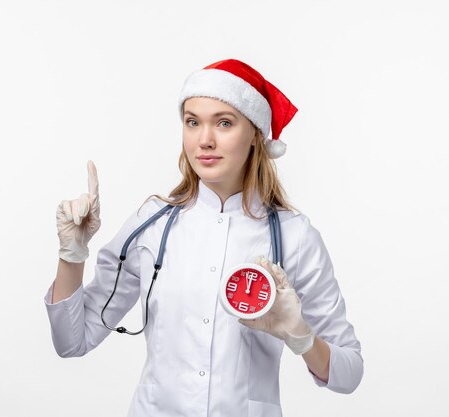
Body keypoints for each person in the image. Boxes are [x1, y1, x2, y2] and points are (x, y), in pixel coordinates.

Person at [44, 59, 363, 417]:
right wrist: (72, 253)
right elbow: (72, 342)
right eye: (192, 122)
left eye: (224, 123)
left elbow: (349, 373)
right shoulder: (151, 224)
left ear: (256, 134)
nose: (205, 140)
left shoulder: (295, 236)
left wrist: (301, 336)